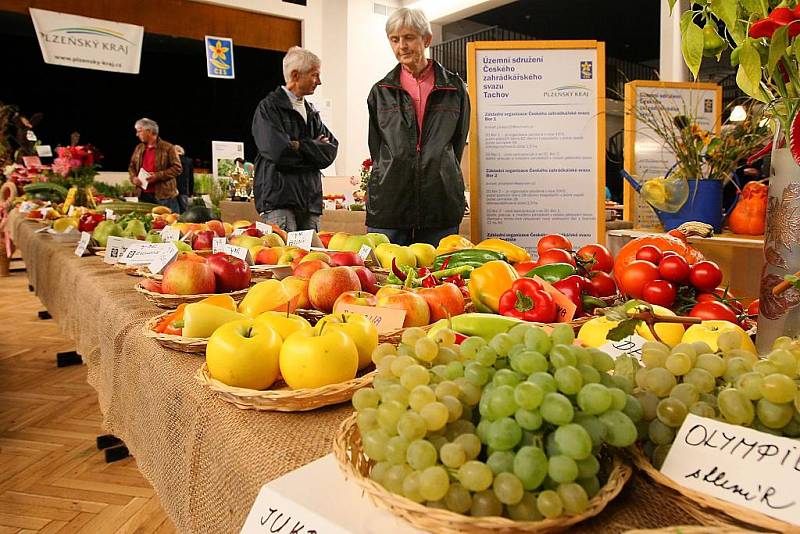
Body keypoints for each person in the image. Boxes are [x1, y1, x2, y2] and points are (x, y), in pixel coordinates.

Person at [366, 8, 470, 246]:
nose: (401, 45)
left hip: (440, 201)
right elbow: (377, 147)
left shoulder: (455, 88)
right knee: (384, 278)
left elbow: (456, 144)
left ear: (426, 39)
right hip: (389, 202)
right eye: (395, 39)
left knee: (437, 279)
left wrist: (438, 166)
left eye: (409, 37)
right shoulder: (379, 91)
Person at [251, 46, 338, 232]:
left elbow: (331, 151)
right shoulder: (268, 108)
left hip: (310, 202)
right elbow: (278, 152)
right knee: (286, 257)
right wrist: (314, 150)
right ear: (296, 75)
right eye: (314, 75)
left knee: (313, 258)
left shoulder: (311, 111)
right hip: (279, 201)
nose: (319, 82)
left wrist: (299, 146)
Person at [128, 118, 181, 212]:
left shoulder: (168, 148)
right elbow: (131, 166)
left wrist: (158, 175)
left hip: (164, 196)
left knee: (169, 223)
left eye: (139, 131)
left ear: (149, 131)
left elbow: (177, 168)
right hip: (143, 195)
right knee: (146, 223)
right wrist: (133, 178)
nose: (137, 134)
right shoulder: (139, 148)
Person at [174, 145, 194, 213]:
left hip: (172, 189)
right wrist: (191, 192)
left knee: (173, 211)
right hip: (184, 190)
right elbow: (191, 178)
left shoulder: (171, 160)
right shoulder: (189, 161)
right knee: (184, 211)